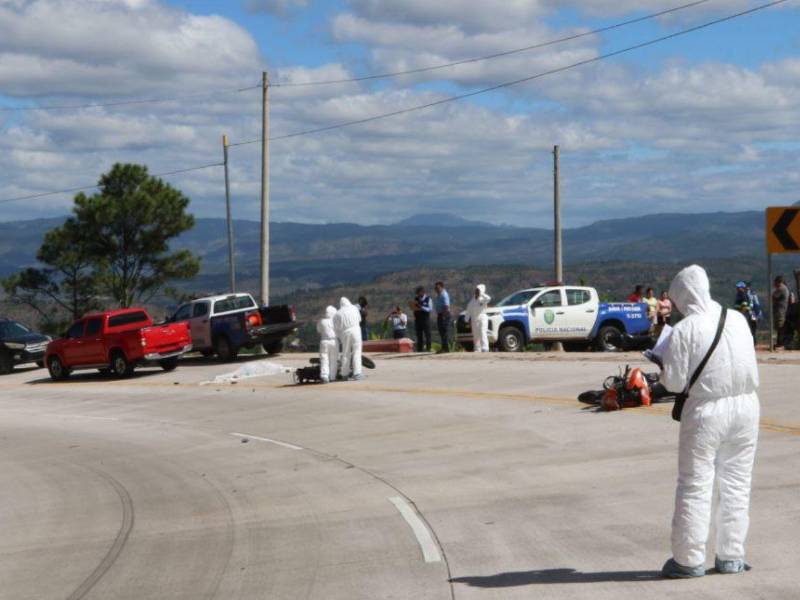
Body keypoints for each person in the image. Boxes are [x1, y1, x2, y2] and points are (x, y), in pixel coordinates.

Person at [659, 265, 759, 579]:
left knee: (695, 483)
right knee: (737, 484)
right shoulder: (738, 319)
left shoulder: (685, 329)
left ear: (682, 298)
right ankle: (731, 556)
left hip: (706, 412)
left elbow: (674, 383)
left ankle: (688, 560)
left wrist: (661, 361)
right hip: (747, 407)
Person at [333, 297, 364, 380]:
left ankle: (344, 374)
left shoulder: (337, 314)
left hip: (345, 333)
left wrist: (339, 337)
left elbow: (336, 328)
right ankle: (357, 373)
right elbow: (359, 319)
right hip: (356, 331)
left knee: (345, 353)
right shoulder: (354, 308)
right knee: (357, 352)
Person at [465, 284, 491, 352]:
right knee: (475, 335)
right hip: (474, 319)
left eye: (478, 290)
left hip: (482, 317)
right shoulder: (472, 301)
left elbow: (488, 298)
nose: (476, 292)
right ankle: (477, 349)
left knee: (483, 332)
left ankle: (485, 348)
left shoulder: (483, 299)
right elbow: (468, 310)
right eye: (476, 290)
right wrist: (466, 319)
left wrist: (482, 294)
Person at [316, 306, 338, 383]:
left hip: (324, 341)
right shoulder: (335, 321)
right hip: (334, 341)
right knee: (334, 359)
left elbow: (318, 330)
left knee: (324, 359)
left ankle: (324, 376)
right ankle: (332, 377)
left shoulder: (321, 321)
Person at [411, 286, 433, 352]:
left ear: (422, 292)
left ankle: (428, 348)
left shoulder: (428, 299)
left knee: (427, 334)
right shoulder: (416, 299)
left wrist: (422, 307)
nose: (417, 295)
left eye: (418, 293)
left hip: (425, 319)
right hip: (418, 319)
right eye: (417, 293)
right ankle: (420, 349)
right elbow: (414, 308)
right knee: (419, 335)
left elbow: (430, 309)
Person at [772, 276, 790, 349]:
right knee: (779, 327)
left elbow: (773, 296)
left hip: (780, 310)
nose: (774, 284)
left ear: (779, 282)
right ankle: (780, 343)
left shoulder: (782, 289)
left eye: (775, 282)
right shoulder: (784, 289)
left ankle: (780, 344)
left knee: (780, 326)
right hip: (780, 310)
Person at [434, 281, 451, 353]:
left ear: (442, 287)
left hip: (444, 315)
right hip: (440, 314)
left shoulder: (444, 295)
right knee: (441, 332)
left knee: (444, 332)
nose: (436, 289)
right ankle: (443, 347)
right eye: (435, 288)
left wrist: (444, 316)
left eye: (437, 288)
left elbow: (446, 306)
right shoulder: (439, 295)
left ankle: (446, 348)